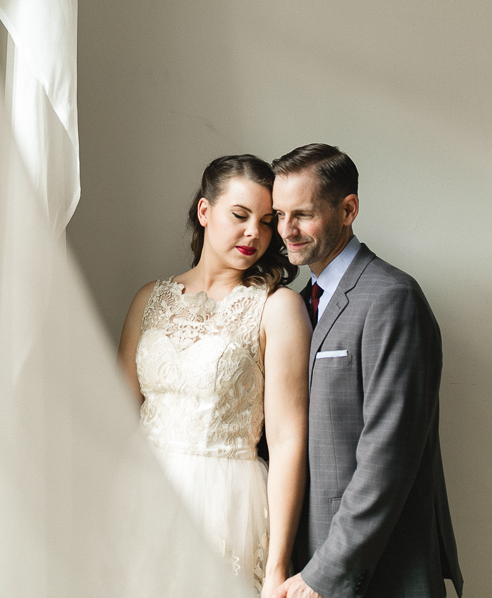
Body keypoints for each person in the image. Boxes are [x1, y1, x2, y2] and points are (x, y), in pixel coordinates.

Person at [269, 144, 463, 598]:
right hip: (306, 554)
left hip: (376, 569)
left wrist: (325, 574)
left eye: (302, 214)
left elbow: (388, 456)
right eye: (279, 215)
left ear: (348, 209)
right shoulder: (296, 305)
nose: (286, 230)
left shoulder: (391, 299)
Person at [117, 155, 312, 597]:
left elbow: (287, 442)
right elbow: (118, 417)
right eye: (240, 216)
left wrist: (278, 565)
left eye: (267, 222)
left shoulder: (276, 308)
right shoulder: (149, 298)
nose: (254, 234)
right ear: (205, 212)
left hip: (225, 506)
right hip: (141, 498)